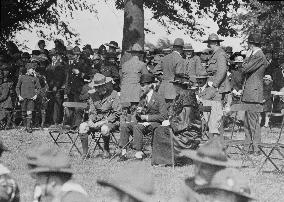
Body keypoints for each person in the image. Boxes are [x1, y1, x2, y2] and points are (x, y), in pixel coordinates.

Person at [152, 73, 202, 166]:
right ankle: (166, 160)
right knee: (159, 130)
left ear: (178, 85)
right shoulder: (181, 95)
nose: (174, 87)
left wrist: (171, 123)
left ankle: (169, 160)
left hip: (189, 131)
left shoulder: (187, 95)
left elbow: (186, 119)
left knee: (160, 131)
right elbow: (176, 113)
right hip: (182, 126)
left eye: (175, 84)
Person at [119, 73, 167, 160]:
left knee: (138, 127)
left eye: (143, 85)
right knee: (124, 125)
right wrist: (138, 112)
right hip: (141, 123)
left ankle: (139, 152)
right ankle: (123, 153)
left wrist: (147, 117)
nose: (141, 88)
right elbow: (139, 115)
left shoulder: (159, 98)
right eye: (141, 85)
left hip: (154, 123)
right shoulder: (142, 97)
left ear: (150, 85)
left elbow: (163, 116)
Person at [79, 73, 121, 159]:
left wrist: (104, 122)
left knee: (104, 129)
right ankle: (85, 153)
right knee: (82, 126)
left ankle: (106, 150)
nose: (97, 89)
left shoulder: (114, 94)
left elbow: (117, 113)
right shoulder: (93, 95)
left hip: (110, 121)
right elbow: (93, 111)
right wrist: (90, 120)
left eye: (99, 87)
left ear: (105, 85)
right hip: (96, 120)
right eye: (96, 87)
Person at [199, 33, 231, 141]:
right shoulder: (215, 54)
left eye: (210, 43)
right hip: (212, 87)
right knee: (208, 112)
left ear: (215, 43)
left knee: (215, 116)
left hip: (218, 88)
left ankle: (216, 143)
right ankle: (212, 140)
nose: (209, 45)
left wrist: (215, 84)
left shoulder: (220, 54)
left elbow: (222, 71)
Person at [241, 33, 268, 155]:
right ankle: (248, 147)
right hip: (250, 94)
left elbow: (245, 69)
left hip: (253, 94)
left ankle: (256, 148)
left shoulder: (258, 55)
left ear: (250, 44)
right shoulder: (256, 55)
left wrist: (246, 58)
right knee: (247, 122)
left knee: (253, 123)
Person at [120, 43, 148, 120]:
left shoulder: (124, 64)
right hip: (135, 92)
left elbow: (122, 78)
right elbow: (147, 79)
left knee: (125, 115)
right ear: (139, 54)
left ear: (131, 53)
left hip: (124, 91)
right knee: (134, 115)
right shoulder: (142, 64)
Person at [16, 63, 41, 133]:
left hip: (31, 98)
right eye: (32, 69)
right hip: (23, 98)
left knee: (29, 113)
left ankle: (28, 127)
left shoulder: (35, 78)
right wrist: (19, 96)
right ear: (28, 70)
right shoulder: (22, 77)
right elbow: (17, 87)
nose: (33, 71)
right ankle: (24, 126)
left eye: (34, 69)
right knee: (23, 113)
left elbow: (39, 88)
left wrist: (36, 95)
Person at [158, 38, 184, 102]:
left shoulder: (164, 58)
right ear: (181, 48)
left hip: (162, 88)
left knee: (163, 110)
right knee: (173, 110)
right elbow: (179, 74)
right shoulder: (180, 59)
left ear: (173, 47)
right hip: (173, 89)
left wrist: (162, 77)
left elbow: (155, 71)